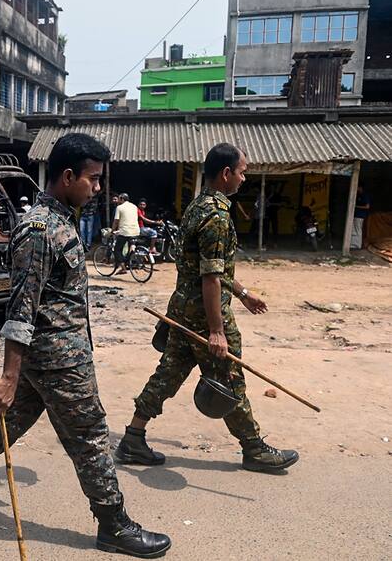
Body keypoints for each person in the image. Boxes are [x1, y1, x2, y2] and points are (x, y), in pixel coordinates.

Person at [0, 133, 171, 559]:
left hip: (49, 356)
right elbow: (21, 308)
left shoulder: (60, 220)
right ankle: (114, 524)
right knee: (91, 435)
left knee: (8, 424)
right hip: (58, 361)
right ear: (67, 176)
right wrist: (8, 376)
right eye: (93, 179)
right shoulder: (41, 230)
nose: (98, 188)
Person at [114, 143, 299, 473]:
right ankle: (254, 449)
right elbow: (211, 278)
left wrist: (242, 293)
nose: (244, 179)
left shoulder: (197, 206)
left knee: (168, 374)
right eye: (242, 172)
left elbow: (216, 270)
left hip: (183, 312)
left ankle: (132, 438)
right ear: (226, 174)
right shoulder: (217, 217)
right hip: (205, 316)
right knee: (229, 379)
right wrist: (216, 330)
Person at [112, 193, 140, 274]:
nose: (118, 201)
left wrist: (112, 230)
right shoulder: (134, 206)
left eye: (119, 199)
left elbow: (116, 221)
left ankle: (123, 268)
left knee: (117, 249)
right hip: (136, 230)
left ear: (122, 199)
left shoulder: (119, 207)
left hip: (125, 231)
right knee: (130, 246)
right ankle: (130, 258)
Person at [350, 184, 370, 250]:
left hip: (360, 215)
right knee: (354, 230)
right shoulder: (359, 195)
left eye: (358, 187)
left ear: (360, 187)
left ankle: (357, 245)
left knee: (358, 230)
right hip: (356, 215)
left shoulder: (364, 195)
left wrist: (356, 206)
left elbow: (367, 206)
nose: (357, 189)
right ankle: (353, 244)